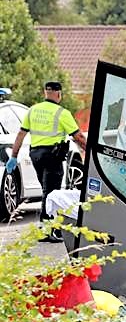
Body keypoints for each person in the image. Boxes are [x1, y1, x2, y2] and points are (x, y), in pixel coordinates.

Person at [6, 81, 86, 242]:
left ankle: (50, 229)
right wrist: (91, 152)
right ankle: (48, 231)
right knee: (51, 193)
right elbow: (78, 137)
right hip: (52, 156)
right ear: (58, 94)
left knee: (47, 191)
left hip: (35, 155)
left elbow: (21, 135)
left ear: (45, 92)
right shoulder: (62, 113)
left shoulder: (32, 110)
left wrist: (14, 156)